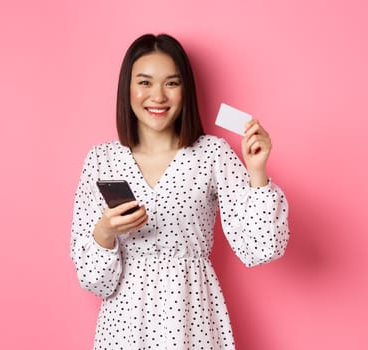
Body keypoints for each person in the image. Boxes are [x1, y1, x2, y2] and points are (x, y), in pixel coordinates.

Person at [70, 33, 290, 349]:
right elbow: (95, 281)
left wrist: (257, 172)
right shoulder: (102, 159)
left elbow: (260, 248)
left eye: (171, 83)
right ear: (127, 89)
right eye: (145, 82)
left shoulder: (212, 153)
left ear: (185, 89)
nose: (157, 96)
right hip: (124, 326)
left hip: (192, 318)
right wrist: (104, 233)